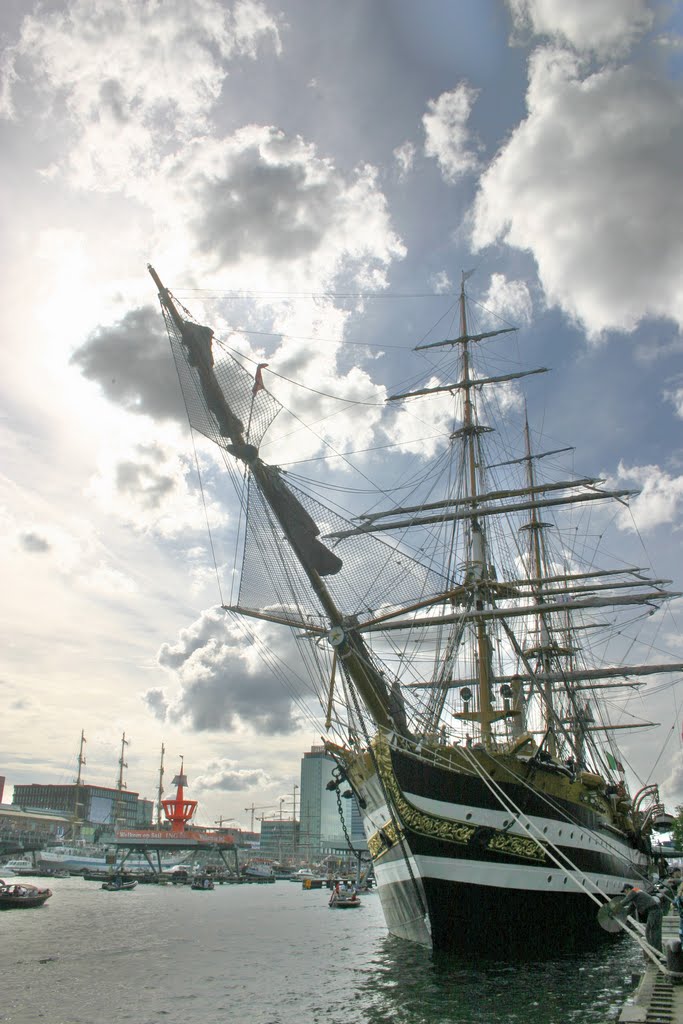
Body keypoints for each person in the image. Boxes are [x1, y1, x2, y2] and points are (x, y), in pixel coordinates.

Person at [621, 884, 663, 953]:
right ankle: (655, 951)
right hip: (653, 912)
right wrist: (621, 916)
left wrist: (614, 909)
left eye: (625, 891)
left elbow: (624, 901)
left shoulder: (634, 891)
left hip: (654, 912)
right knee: (649, 932)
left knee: (653, 933)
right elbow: (630, 909)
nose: (625, 894)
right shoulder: (636, 897)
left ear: (628, 889)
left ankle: (656, 952)